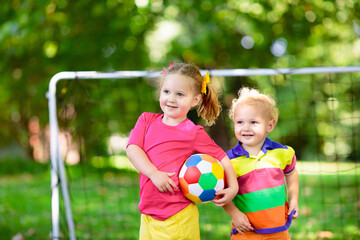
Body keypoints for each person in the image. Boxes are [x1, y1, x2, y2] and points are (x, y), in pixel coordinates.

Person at [126, 62, 238, 240]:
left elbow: (221, 157)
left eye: (180, 94)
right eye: (167, 91)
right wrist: (154, 173)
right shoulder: (146, 120)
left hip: (176, 216)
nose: (171, 99)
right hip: (148, 214)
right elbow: (133, 149)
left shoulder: (192, 132)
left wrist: (233, 186)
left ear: (195, 100)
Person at [224, 87, 299, 240]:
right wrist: (235, 214)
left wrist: (294, 199)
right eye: (240, 122)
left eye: (253, 122)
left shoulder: (281, 153)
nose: (246, 128)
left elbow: (291, 172)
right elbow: (221, 193)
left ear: (269, 126)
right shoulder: (229, 161)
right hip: (246, 231)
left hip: (279, 229)